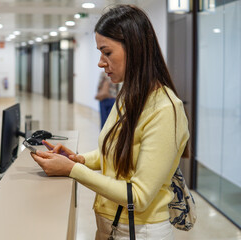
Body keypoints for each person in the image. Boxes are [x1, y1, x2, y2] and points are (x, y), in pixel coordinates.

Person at [31, 4, 190, 240]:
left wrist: (74, 170)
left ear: (134, 49)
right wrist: (80, 158)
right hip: (112, 225)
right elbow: (115, 150)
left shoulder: (166, 109)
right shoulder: (128, 95)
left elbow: (139, 195)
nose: (100, 62)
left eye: (107, 52)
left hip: (139, 231)